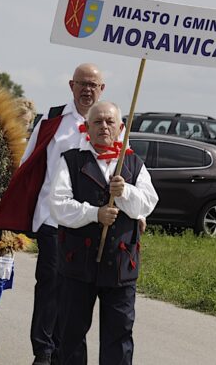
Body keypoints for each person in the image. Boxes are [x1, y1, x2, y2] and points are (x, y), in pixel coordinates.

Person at [0, 63, 106, 365]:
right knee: (51, 286)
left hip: (92, 222)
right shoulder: (54, 120)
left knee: (77, 292)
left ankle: (65, 351)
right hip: (54, 219)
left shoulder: (109, 124)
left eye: (93, 84)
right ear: (71, 85)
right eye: (82, 83)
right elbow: (29, 166)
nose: (87, 89)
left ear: (101, 89)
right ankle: (43, 349)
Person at [50, 101, 158, 364]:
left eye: (110, 122)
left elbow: (148, 203)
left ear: (120, 127)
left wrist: (126, 193)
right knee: (71, 334)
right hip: (78, 265)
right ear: (87, 127)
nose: (104, 127)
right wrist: (94, 214)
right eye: (97, 122)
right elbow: (59, 206)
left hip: (120, 266)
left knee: (119, 336)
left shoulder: (133, 163)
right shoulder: (71, 160)